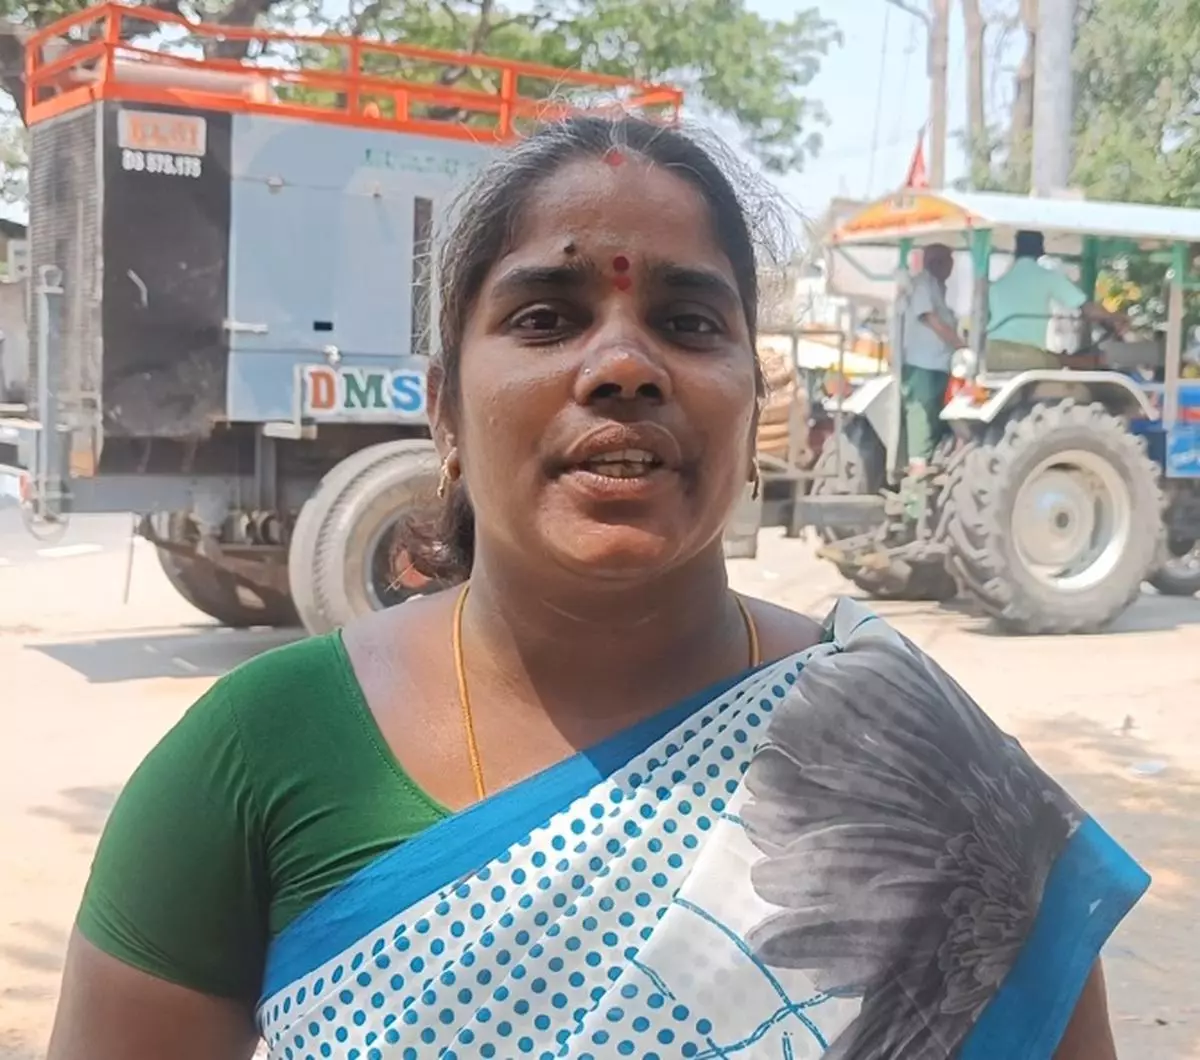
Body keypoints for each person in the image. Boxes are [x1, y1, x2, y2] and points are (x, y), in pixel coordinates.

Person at [48, 117, 1147, 1060]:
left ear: (749, 397)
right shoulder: (263, 750)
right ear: (442, 408)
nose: (625, 364)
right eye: (545, 318)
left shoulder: (921, 765)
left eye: (690, 322)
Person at [988, 229, 1129, 371]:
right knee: (1071, 362)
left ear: (1016, 250)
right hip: (1027, 357)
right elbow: (1088, 309)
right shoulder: (1047, 277)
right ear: (1041, 251)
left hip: (991, 354)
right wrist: (1115, 317)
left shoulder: (998, 283)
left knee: (1054, 358)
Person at [898, 243, 966, 472]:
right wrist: (960, 344)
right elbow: (930, 318)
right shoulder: (923, 284)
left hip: (940, 363)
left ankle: (930, 462)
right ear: (936, 262)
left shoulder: (939, 287)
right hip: (923, 363)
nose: (951, 268)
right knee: (921, 413)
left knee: (938, 416)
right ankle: (917, 468)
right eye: (949, 262)